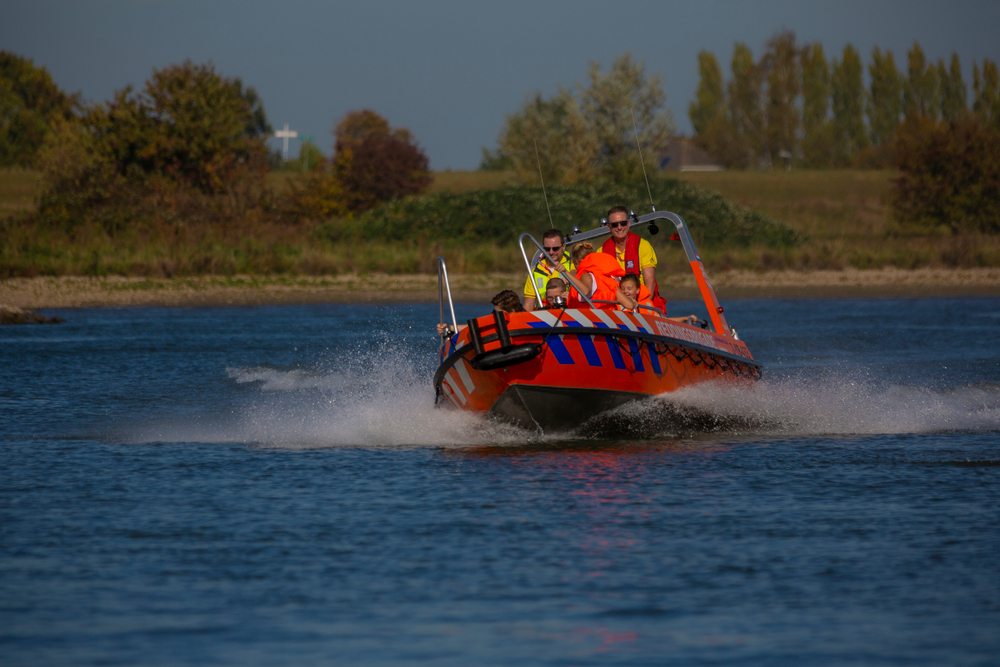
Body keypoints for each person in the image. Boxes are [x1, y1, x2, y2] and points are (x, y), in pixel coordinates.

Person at [601, 205, 666, 312]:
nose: (619, 227)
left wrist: (641, 307)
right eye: (614, 225)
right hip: (615, 306)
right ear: (609, 227)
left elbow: (649, 281)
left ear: (628, 223)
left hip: (641, 303)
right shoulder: (601, 252)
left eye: (623, 223)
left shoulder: (643, 246)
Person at [564, 242, 632, 310]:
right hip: (609, 318)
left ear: (576, 261)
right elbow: (629, 305)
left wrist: (566, 273)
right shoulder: (608, 279)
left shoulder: (585, 275)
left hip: (589, 318)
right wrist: (633, 302)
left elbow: (585, 291)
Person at [522, 228, 575, 311]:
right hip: (545, 319)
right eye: (547, 249)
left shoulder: (572, 265)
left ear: (563, 246)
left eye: (555, 248)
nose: (551, 252)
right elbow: (528, 308)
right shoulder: (534, 273)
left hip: (571, 316)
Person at [436, 290, 524, 336]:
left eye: (498, 313)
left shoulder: (525, 319)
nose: (495, 316)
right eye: (495, 312)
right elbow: (477, 326)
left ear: (512, 312)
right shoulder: (496, 318)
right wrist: (449, 327)